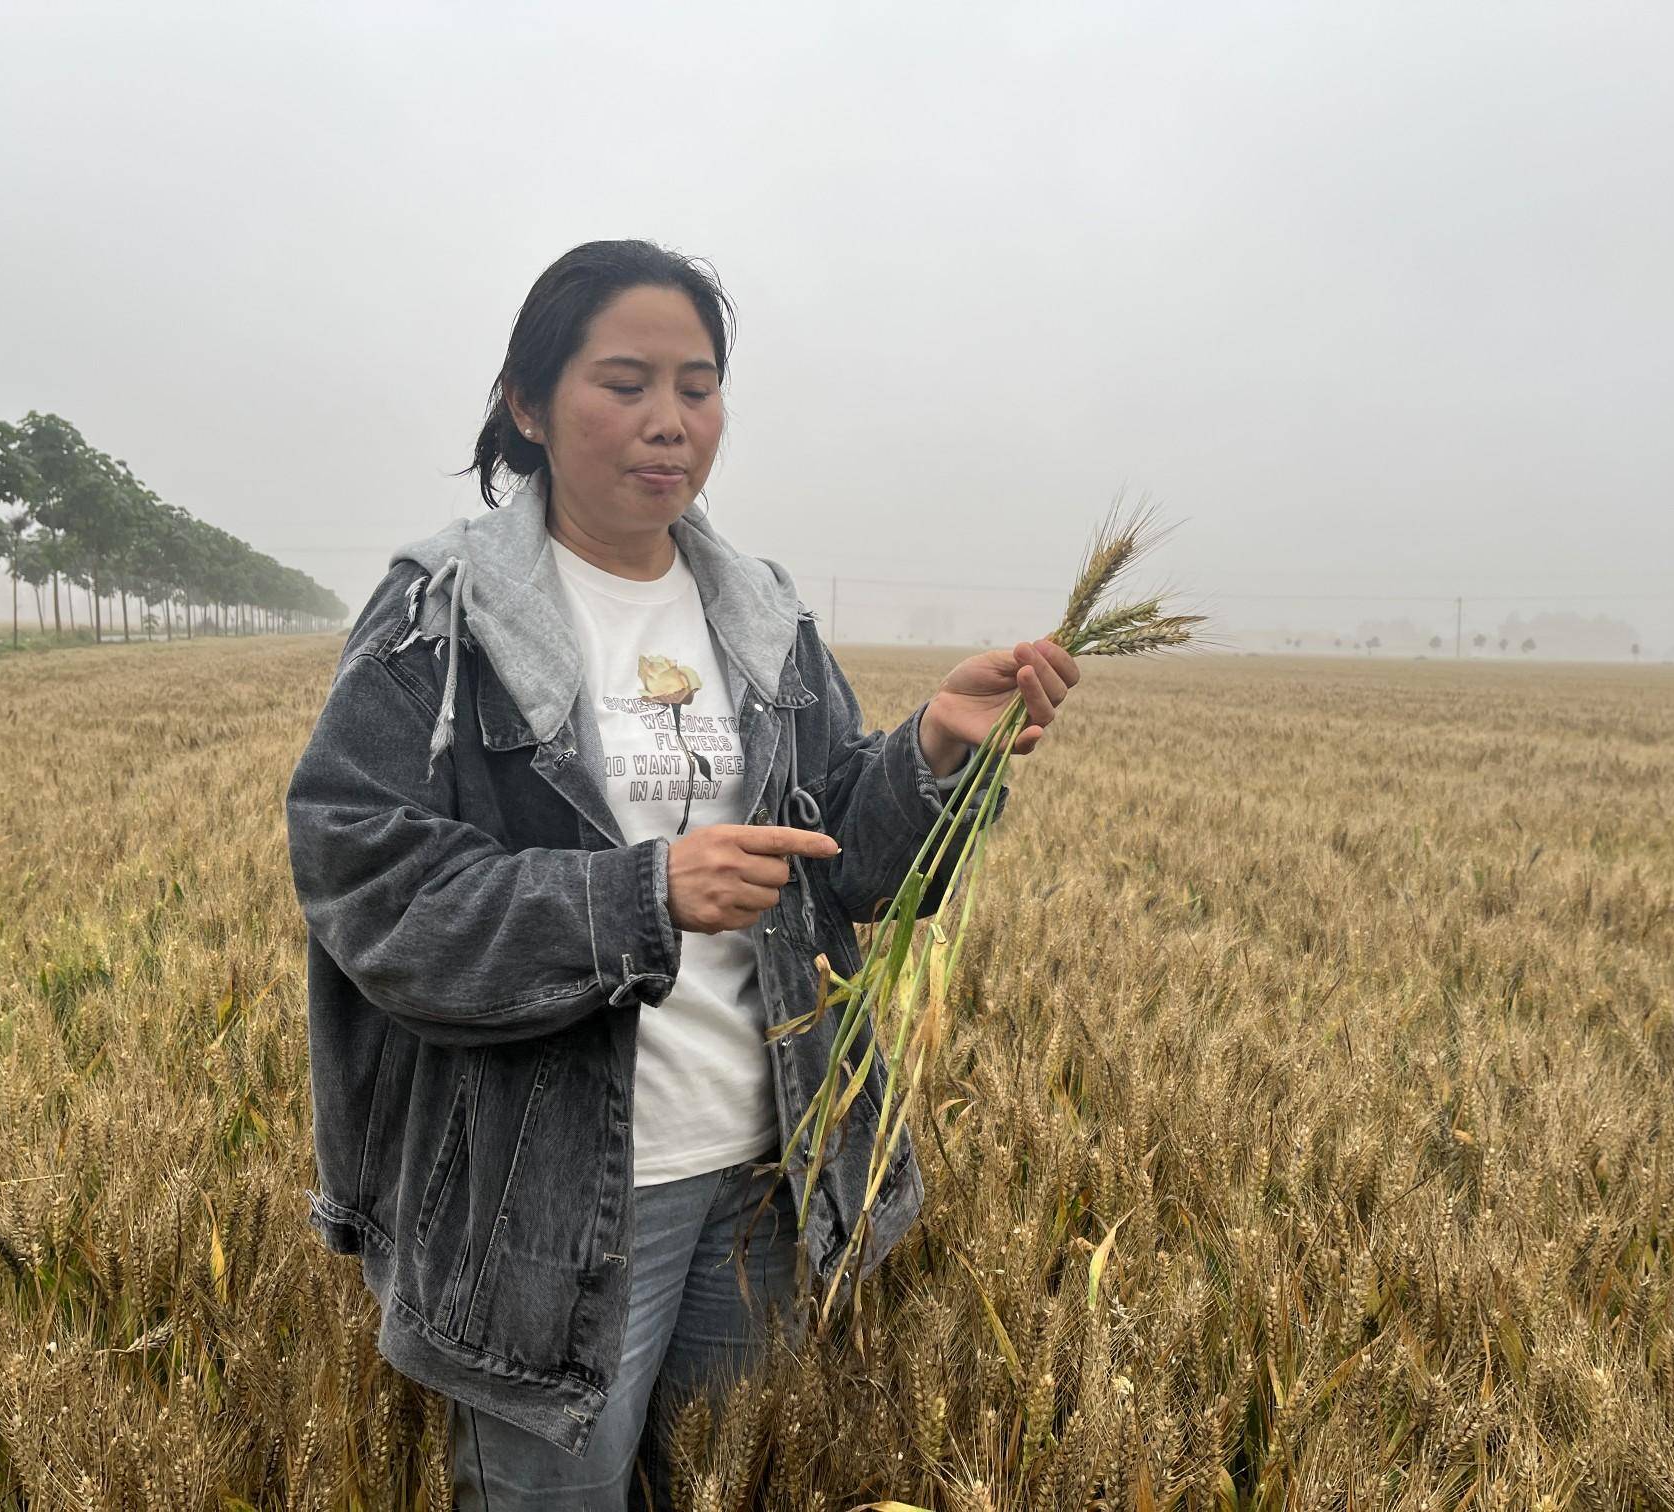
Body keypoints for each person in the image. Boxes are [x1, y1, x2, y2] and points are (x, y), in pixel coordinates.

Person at [283, 238, 1081, 1509]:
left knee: (728, 1486)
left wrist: (933, 748)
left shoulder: (759, 613)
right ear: (530, 406)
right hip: (544, 1205)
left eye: (698, 387)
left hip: (766, 1162)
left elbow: (844, 871)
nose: (670, 423)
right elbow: (369, 888)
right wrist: (640, 896)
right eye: (626, 383)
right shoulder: (442, 616)